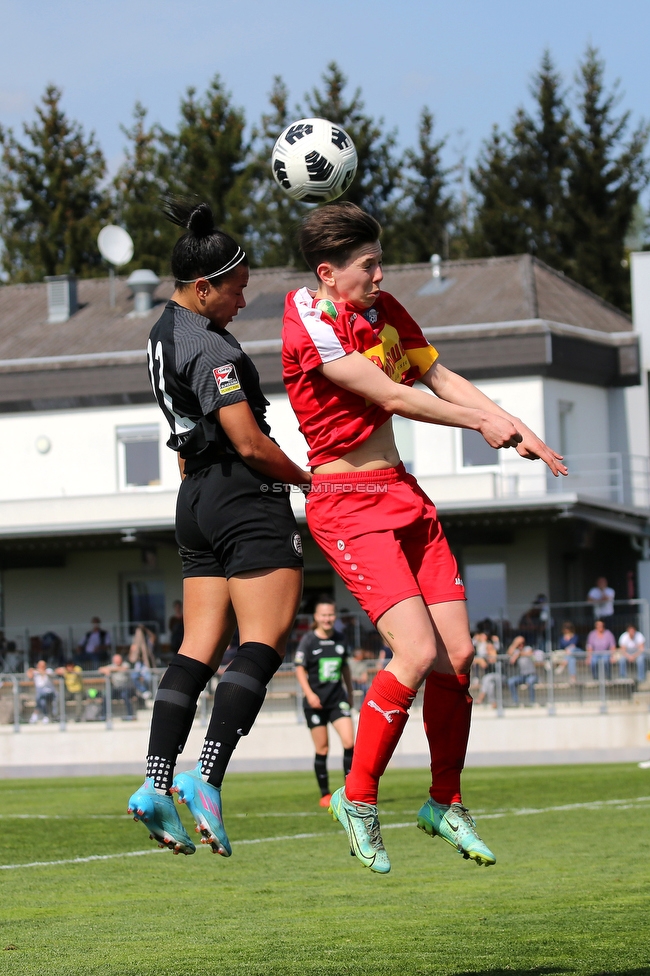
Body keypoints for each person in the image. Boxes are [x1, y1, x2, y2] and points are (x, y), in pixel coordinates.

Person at [281, 201, 567, 873]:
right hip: (347, 505)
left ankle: (444, 802)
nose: (382, 274)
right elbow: (396, 396)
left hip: (403, 495)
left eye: (382, 261)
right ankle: (358, 799)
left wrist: (513, 422)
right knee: (412, 651)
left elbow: (435, 375)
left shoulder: (383, 309)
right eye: (369, 265)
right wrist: (477, 426)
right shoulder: (309, 327)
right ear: (328, 273)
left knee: (458, 655)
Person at [128, 200, 309, 857]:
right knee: (263, 640)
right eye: (235, 288)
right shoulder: (210, 344)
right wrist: (308, 479)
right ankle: (205, 776)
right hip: (241, 490)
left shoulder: (161, 333)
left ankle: (153, 784)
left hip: (194, 496)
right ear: (203, 287)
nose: (242, 298)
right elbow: (248, 440)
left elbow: (188, 438)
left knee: (197, 647)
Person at [294, 598, 355, 806]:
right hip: (316, 703)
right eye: (323, 615)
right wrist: (310, 694)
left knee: (349, 742)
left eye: (331, 614)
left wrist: (350, 691)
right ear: (316, 618)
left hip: (337, 700)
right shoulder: (309, 640)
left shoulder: (341, 638)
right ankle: (325, 794)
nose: (327, 618)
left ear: (334, 616)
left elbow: (345, 666)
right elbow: (299, 668)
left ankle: (351, 791)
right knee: (323, 749)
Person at [100, 653, 135, 720]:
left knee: (126, 696)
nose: (117, 661)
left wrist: (110, 670)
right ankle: (104, 715)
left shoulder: (125, 664)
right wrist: (106, 670)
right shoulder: (112, 666)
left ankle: (130, 714)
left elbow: (124, 669)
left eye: (118, 660)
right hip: (116, 688)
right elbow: (100, 669)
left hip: (125, 687)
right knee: (106, 697)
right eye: (116, 660)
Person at [506, 637, 538, 706]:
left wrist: (519, 654)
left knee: (530, 681)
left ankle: (532, 702)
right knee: (511, 681)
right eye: (519, 644)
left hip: (532, 674)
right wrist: (515, 644)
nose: (520, 645)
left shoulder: (527, 648)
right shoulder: (516, 651)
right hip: (522, 676)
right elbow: (509, 653)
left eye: (521, 643)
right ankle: (516, 702)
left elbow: (530, 653)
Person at [128, 625, 155, 699]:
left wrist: (145, 629)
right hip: (138, 665)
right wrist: (132, 650)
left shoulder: (148, 643)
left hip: (146, 665)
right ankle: (144, 691)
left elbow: (153, 636)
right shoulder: (135, 643)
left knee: (148, 678)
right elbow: (131, 659)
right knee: (133, 677)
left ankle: (148, 692)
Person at [474, 642, 501, 707]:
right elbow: (477, 661)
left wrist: (493, 655)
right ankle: (493, 702)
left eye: (490, 648)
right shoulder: (485, 657)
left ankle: (480, 699)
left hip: (499, 675)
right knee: (490, 685)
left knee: (486, 678)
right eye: (487, 648)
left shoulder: (498, 655)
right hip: (490, 679)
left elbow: (494, 663)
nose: (489, 650)